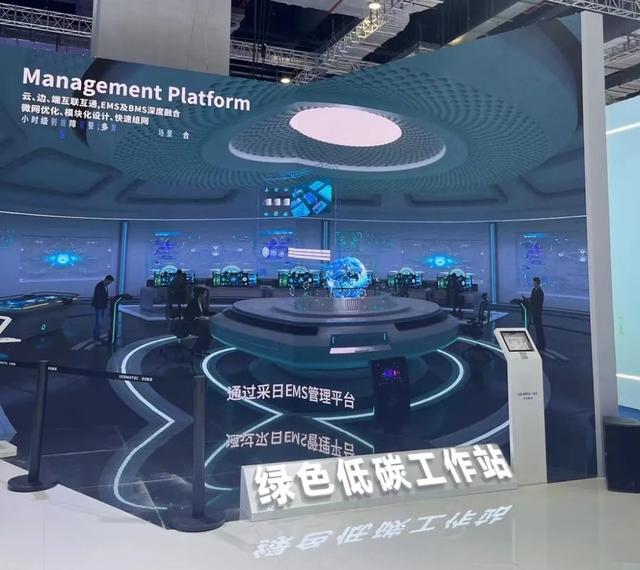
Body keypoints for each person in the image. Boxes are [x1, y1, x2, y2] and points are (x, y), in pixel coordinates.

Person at [184, 286, 213, 355]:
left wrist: (216, 314)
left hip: (197, 323)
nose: (205, 295)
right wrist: (201, 317)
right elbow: (194, 315)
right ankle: (197, 350)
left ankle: (201, 349)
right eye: (205, 294)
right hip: (190, 324)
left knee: (208, 331)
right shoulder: (193, 302)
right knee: (206, 332)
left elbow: (205, 312)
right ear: (200, 294)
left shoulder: (200, 302)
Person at [91, 274, 114, 344]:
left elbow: (103, 296)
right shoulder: (99, 286)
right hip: (99, 306)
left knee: (99, 323)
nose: (110, 283)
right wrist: (107, 299)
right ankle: (96, 339)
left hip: (102, 306)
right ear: (107, 280)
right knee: (98, 323)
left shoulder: (105, 286)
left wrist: (107, 299)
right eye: (110, 282)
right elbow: (99, 296)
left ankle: (97, 337)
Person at [526, 276, 546, 351]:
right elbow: (532, 298)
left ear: (538, 283)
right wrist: (528, 299)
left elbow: (538, 303)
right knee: (537, 328)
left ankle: (542, 344)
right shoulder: (534, 290)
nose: (534, 284)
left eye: (535, 283)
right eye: (533, 283)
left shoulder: (540, 292)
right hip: (534, 312)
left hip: (537, 312)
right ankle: (539, 343)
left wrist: (531, 302)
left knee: (539, 328)